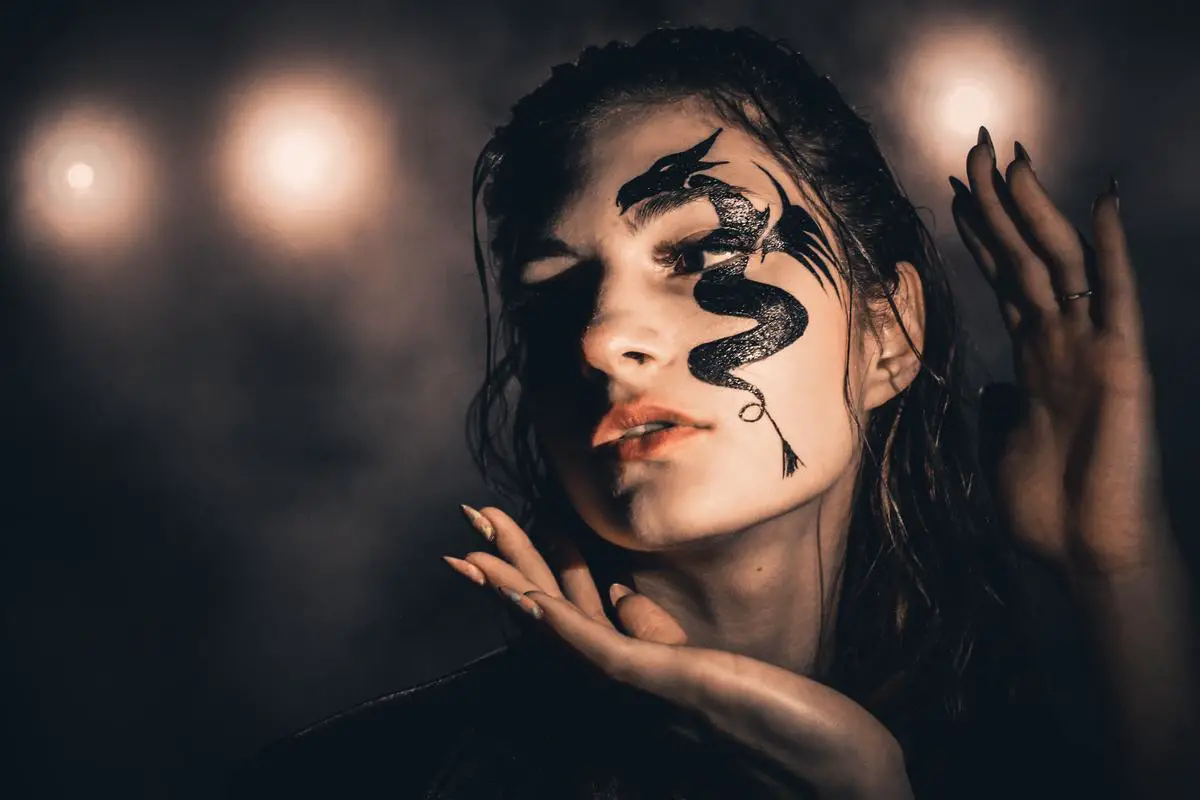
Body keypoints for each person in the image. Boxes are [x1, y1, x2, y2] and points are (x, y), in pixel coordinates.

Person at [228, 26, 1197, 799]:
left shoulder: (1007, 764)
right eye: (553, 297)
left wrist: (1120, 569)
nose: (603, 335)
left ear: (889, 335)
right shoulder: (350, 783)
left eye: (696, 255)